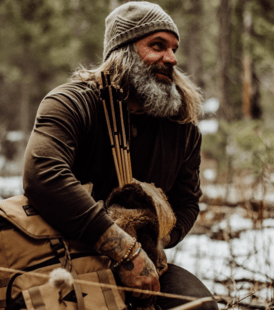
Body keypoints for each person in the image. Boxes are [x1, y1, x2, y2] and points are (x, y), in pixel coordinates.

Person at [23, 2, 218, 310]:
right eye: (157, 46)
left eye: (173, 48)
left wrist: (153, 241)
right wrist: (123, 248)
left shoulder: (182, 127)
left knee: (199, 306)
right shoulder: (71, 102)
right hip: (62, 257)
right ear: (123, 51)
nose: (171, 58)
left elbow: (187, 201)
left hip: (142, 259)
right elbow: (42, 174)